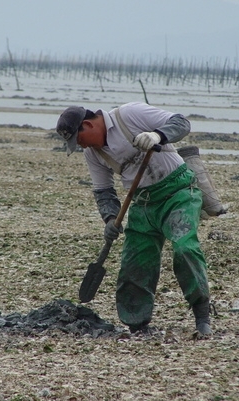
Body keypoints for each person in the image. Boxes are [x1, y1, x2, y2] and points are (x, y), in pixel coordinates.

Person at [56, 102, 211, 335]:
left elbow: (182, 123)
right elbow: (103, 190)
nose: (81, 145)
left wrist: (157, 135)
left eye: (79, 139)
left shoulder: (129, 114)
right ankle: (137, 324)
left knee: (184, 248)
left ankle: (202, 315)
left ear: (87, 124)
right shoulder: (93, 154)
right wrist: (109, 219)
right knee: (134, 265)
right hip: (143, 203)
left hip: (178, 193)